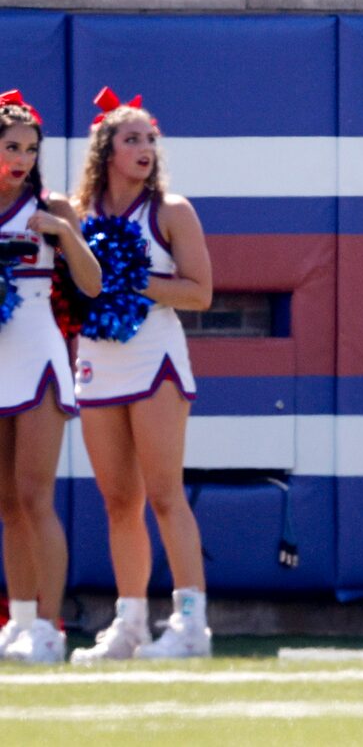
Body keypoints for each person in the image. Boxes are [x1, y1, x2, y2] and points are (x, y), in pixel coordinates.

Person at [71, 94, 214, 662]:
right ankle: (129, 623)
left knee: (163, 495)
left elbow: (200, 293)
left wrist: (130, 279)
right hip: (97, 359)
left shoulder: (172, 211)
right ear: (106, 151)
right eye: (132, 139)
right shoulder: (80, 214)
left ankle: (190, 625)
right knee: (118, 501)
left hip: (154, 356)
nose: (145, 149)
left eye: (150, 139)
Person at [0, 94, 102, 667]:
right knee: (6, 502)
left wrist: (65, 234)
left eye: (30, 149)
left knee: (36, 496)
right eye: (11, 146)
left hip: (37, 351)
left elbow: (91, 284)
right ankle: (17, 620)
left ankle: (49, 625)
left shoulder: (51, 204)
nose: (21, 158)